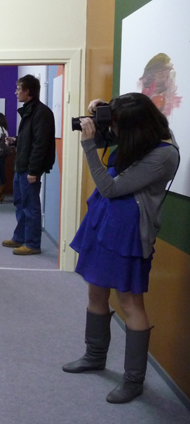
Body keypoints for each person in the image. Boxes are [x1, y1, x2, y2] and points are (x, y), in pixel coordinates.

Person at [63, 93, 179, 404]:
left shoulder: (164, 154)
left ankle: (133, 380)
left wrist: (89, 145)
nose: (114, 131)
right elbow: (113, 151)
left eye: (118, 125)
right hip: (104, 221)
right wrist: (102, 115)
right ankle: (94, 356)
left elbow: (110, 187)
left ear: (136, 126)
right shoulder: (140, 138)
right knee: (95, 291)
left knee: (130, 302)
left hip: (129, 231)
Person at [2, 74, 55, 255]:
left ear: (27, 91)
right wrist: (16, 141)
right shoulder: (29, 111)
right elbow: (30, 139)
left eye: (18, 89)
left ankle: (32, 244)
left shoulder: (41, 112)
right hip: (21, 166)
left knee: (30, 206)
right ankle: (20, 237)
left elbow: (40, 144)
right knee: (20, 203)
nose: (16, 92)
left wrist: (34, 170)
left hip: (29, 169)